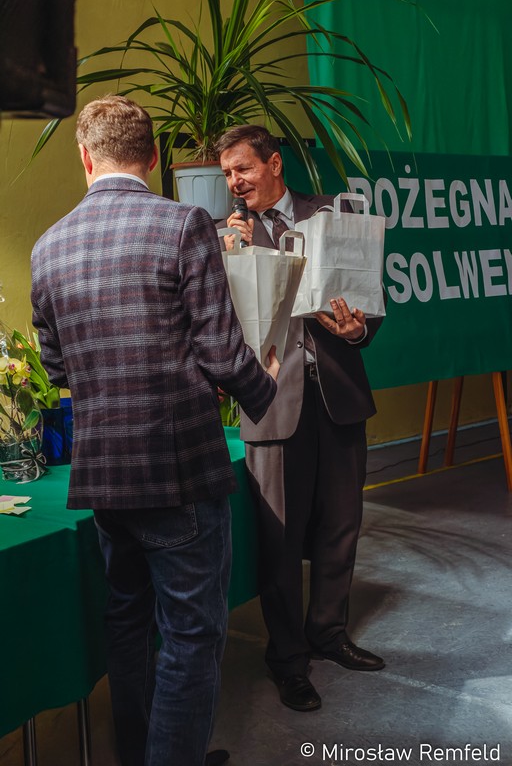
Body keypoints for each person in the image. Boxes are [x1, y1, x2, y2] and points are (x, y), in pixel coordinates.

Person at [30, 97, 280, 766]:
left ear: (85, 157)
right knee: (191, 638)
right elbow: (223, 353)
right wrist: (266, 384)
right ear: (154, 155)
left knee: (129, 624)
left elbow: (58, 370)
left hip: (104, 479)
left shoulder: (48, 246)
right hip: (178, 473)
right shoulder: (183, 223)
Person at [216, 124, 385, 713]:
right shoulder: (224, 236)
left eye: (243, 168)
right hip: (270, 402)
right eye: (227, 175)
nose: (235, 183)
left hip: (339, 394)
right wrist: (231, 256)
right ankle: (288, 660)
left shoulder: (332, 213)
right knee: (280, 540)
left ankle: (329, 634)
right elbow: (218, 324)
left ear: (275, 163)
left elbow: (368, 291)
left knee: (342, 525)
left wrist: (358, 329)